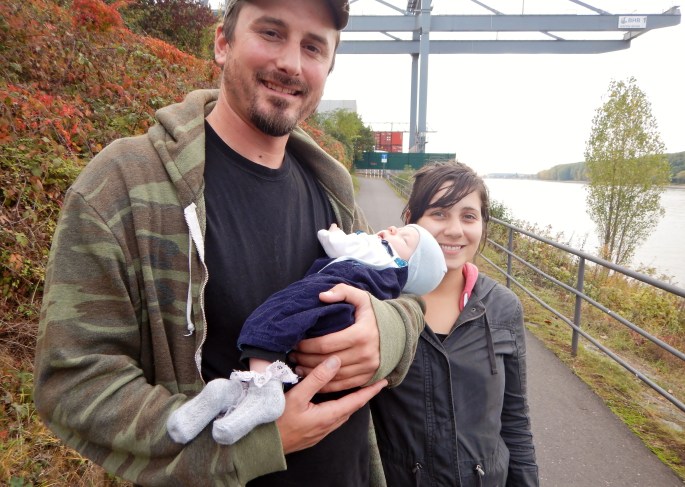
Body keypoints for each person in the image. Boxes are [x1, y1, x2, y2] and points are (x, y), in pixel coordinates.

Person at [32, 0, 427, 485]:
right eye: (271, 33)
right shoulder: (123, 186)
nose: (291, 62)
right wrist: (256, 443)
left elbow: (402, 296)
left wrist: (387, 333)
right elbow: (72, 383)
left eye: (312, 47)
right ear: (223, 43)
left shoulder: (333, 187)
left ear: (328, 66)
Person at [166, 222, 446, 446]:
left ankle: (263, 384)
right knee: (292, 345)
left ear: (408, 266)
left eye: (406, 239)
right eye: (401, 228)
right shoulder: (390, 272)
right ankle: (233, 393)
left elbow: (337, 243)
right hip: (336, 317)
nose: (393, 231)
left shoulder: (385, 253)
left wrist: (334, 233)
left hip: (330, 298)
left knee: (274, 317)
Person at [370, 161, 539, 486]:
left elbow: (515, 419)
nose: (454, 230)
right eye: (438, 213)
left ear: (483, 225)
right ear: (410, 221)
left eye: (468, 216)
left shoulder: (503, 307)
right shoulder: (381, 305)